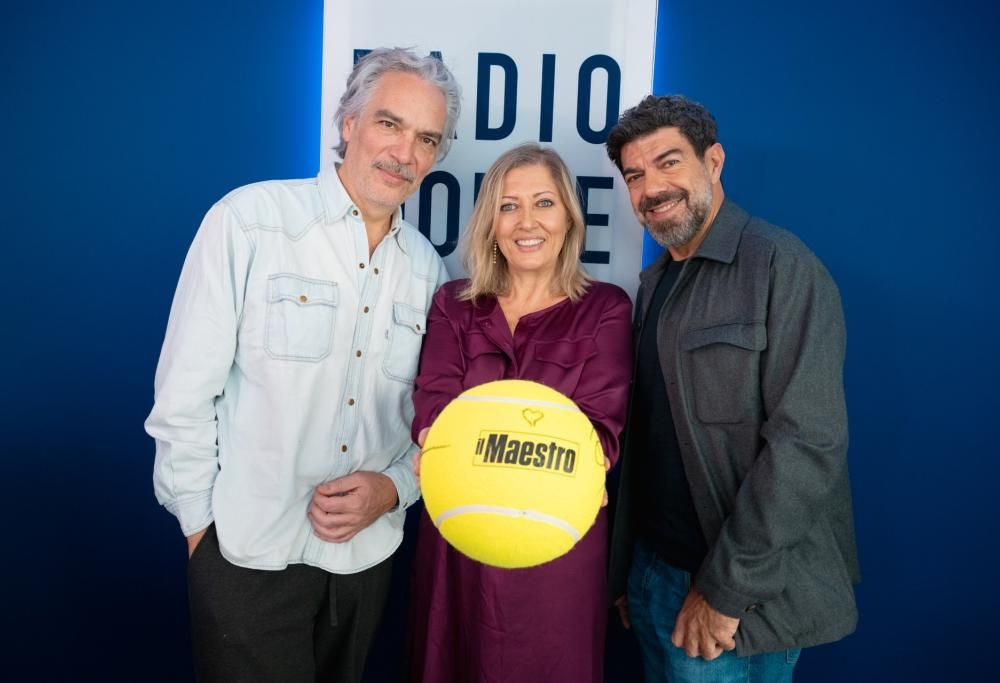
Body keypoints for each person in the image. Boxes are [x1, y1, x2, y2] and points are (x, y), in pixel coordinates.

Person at [145, 47, 460, 682]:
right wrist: (201, 529)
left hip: (365, 564)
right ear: (349, 123)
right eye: (389, 124)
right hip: (247, 556)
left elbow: (430, 422)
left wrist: (395, 489)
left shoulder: (428, 270)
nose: (405, 153)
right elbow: (183, 393)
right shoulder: (250, 221)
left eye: (427, 138)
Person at [605, 95, 860, 682]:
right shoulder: (655, 283)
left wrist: (723, 591)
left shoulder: (782, 266)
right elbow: (651, 441)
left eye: (670, 163)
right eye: (635, 175)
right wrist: (628, 571)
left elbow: (808, 445)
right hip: (653, 576)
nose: (652, 188)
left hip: (734, 602)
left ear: (713, 161)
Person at [406, 143, 632, 682]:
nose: (526, 222)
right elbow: (433, 405)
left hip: (555, 549)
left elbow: (600, 429)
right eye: (508, 206)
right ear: (490, 222)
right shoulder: (453, 305)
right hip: (458, 539)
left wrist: (479, 445)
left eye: (544, 203)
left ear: (569, 218)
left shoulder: (607, 308)